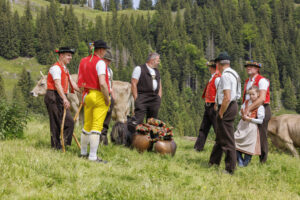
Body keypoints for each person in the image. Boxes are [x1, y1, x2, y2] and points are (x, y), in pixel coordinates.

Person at [77, 40, 110, 162]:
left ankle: (83, 152)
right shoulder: (100, 63)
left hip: (86, 94)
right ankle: (92, 156)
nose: (105, 52)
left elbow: (79, 82)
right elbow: (102, 83)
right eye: (105, 50)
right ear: (100, 50)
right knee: (96, 127)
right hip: (98, 95)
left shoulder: (83, 61)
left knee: (87, 125)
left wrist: (82, 97)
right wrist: (107, 98)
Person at [208, 52, 241, 174]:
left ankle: (230, 168)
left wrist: (221, 112)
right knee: (220, 136)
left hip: (227, 107)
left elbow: (227, 97)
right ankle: (213, 162)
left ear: (218, 64)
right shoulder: (234, 73)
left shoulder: (225, 76)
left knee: (227, 139)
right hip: (232, 105)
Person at [44, 47, 79, 150]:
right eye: (68, 55)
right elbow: (57, 84)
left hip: (61, 96)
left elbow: (72, 83)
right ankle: (56, 146)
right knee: (55, 122)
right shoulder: (55, 68)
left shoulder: (65, 69)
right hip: (53, 96)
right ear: (61, 55)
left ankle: (64, 144)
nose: (70, 57)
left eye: (71, 55)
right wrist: (64, 99)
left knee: (69, 122)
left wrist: (83, 91)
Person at [127, 52, 162, 145]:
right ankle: (131, 142)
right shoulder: (139, 69)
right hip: (142, 97)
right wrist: (136, 99)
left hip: (154, 99)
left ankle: (150, 144)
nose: (158, 62)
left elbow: (160, 85)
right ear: (153, 60)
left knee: (153, 122)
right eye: (158, 60)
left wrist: (159, 98)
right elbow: (133, 83)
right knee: (138, 121)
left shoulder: (157, 71)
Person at [241, 61, 271, 163]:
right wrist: (243, 109)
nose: (248, 68)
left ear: (257, 69)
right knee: (246, 133)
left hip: (262, 108)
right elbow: (246, 97)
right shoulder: (247, 81)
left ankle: (263, 161)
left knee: (261, 135)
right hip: (248, 109)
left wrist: (248, 109)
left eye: (251, 66)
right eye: (247, 66)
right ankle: (245, 159)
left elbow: (262, 98)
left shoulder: (262, 81)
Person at [234, 86, 265, 167]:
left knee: (249, 147)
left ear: (258, 94)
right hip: (242, 126)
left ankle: (244, 165)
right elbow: (240, 113)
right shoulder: (246, 102)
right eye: (250, 94)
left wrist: (250, 119)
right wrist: (242, 113)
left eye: (253, 94)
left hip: (251, 128)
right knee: (233, 142)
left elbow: (260, 120)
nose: (251, 96)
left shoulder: (260, 106)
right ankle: (240, 162)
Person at [194, 60, 220, 151]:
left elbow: (219, 93)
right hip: (208, 105)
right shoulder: (213, 77)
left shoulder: (217, 78)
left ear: (212, 67)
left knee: (217, 128)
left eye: (209, 66)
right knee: (204, 127)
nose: (208, 68)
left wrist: (216, 104)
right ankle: (198, 147)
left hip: (214, 106)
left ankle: (222, 147)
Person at [100, 50, 114, 145]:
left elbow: (111, 83)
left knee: (107, 118)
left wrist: (112, 96)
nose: (108, 62)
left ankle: (104, 138)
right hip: (100, 95)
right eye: (106, 60)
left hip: (109, 95)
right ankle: (97, 138)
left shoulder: (110, 71)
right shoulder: (99, 69)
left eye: (109, 61)